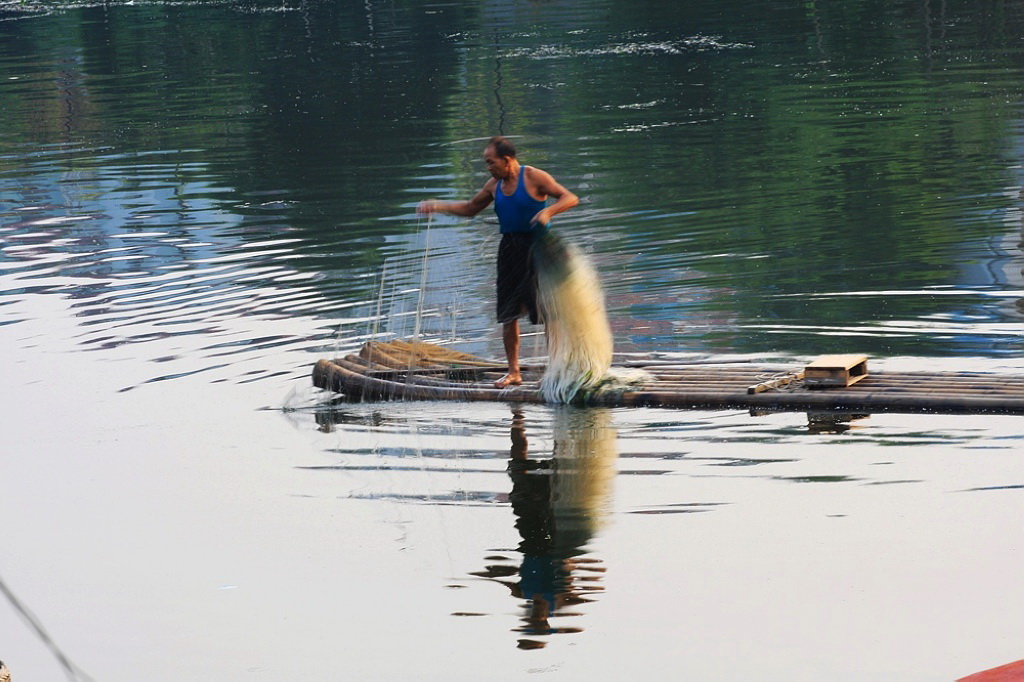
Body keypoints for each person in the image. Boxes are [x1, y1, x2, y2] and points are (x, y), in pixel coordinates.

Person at [418, 137, 579, 388]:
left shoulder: (535, 177)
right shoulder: (494, 186)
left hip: (538, 246)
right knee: (508, 314)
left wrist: (547, 211)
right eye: (486, 163)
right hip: (509, 250)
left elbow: (569, 197)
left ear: (506, 160)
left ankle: (557, 368)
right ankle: (514, 372)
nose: (488, 167)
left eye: (491, 163)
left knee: (549, 312)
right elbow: (471, 208)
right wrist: (438, 206)